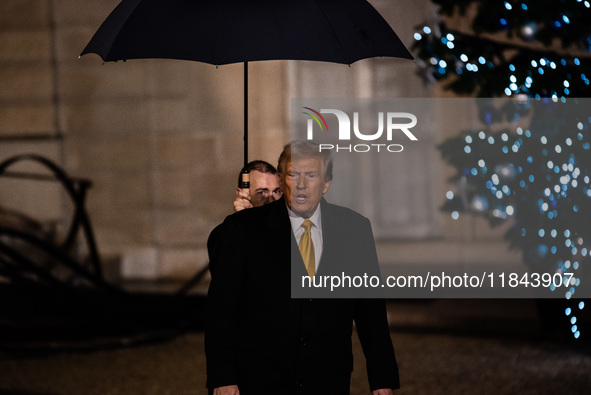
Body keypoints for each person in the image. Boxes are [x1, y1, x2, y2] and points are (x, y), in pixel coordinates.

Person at [206, 141, 399, 395]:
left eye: (311, 175)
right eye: (293, 174)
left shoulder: (354, 229)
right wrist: (222, 377)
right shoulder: (243, 228)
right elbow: (221, 311)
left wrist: (381, 380)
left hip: (327, 378)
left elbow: (371, 313)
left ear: (326, 183)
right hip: (259, 378)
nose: (301, 184)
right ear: (282, 179)